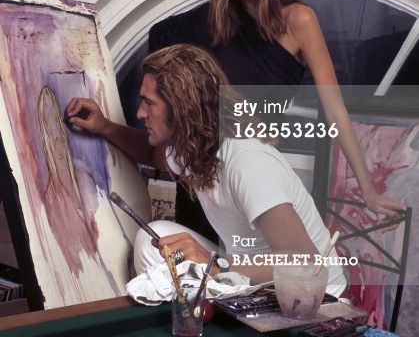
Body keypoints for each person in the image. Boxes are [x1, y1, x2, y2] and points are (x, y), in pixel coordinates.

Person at [148, 0, 404, 218]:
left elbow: (335, 110)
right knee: (183, 248)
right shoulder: (211, 22)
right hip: (204, 181)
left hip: (254, 179)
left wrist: (367, 190)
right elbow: (159, 37)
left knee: (251, 248)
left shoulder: (299, 20)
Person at [65, 44, 346, 295]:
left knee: (175, 250)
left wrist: (217, 265)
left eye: (149, 102)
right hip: (254, 281)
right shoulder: (190, 147)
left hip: (315, 294)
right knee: (155, 237)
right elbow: (151, 153)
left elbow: (305, 261)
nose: (140, 113)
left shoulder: (248, 163)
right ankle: (188, 321)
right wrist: (104, 127)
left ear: (180, 108)